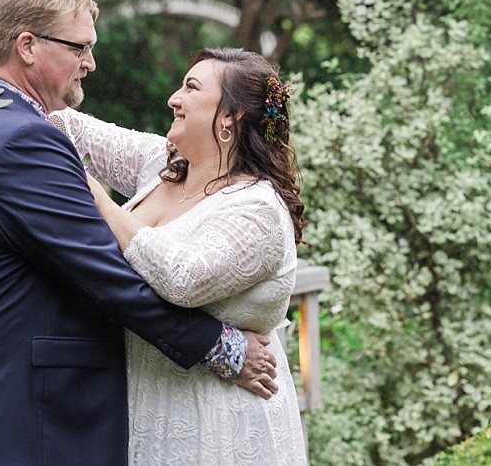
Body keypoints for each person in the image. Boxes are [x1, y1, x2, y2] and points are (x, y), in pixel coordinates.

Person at [0, 0, 280, 466]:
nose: (90, 63)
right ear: (28, 46)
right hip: (4, 418)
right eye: (80, 47)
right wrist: (222, 349)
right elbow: (106, 274)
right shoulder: (21, 141)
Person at [49, 47, 309, 465]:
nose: (174, 97)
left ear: (230, 116)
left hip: (217, 425)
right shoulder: (164, 164)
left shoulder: (258, 210)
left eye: (191, 87)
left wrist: (100, 200)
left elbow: (183, 278)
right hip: (141, 408)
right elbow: (64, 124)